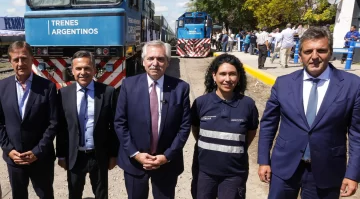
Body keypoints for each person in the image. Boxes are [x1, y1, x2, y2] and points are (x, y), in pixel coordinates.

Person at [258, 27, 360, 199]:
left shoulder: (352, 85)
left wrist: (353, 174)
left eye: (321, 50)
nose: (314, 56)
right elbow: (268, 125)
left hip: (328, 169)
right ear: (301, 54)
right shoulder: (284, 83)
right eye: (308, 51)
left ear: (330, 52)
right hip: (284, 167)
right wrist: (263, 160)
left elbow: (357, 134)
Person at [115, 40, 191, 199]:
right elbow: (120, 123)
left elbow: (184, 127)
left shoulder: (181, 88)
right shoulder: (128, 85)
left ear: (168, 62)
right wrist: (135, 154)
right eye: (150, 58)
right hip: (135, 163)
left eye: (160, 59)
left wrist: (167, 156)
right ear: (143, 62)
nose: (155, 63)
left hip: (166, 164)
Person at [191, 54, 259, 199]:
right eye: (222, 74)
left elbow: (251, 132)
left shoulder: (248, 104)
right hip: (204, 172)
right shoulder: (201, 103)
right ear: (214, 76)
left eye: (232, 74)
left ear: (239, 77)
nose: (227, 79)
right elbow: (196, 130)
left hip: (234, 174)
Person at [56, 50, 119, 199]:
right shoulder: (64, 94)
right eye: (78, 68)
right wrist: (61, 155)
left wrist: (114, 154)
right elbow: (62, 128)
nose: (83, 72)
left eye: (87, 68)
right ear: (72, 71)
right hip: (75, 156)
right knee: (74, 194)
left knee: (101, 194)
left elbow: (114, 127)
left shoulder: (108, 93)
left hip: (99, 155)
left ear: (94, 70)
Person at [0, 41, 57, 199]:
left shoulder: (48, 87)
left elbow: (53, 123)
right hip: (14, 158)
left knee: (45, 195)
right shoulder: (2, 87)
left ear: (32, 59)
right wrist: (9, 150)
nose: (20, 63)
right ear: (10, 61)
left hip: (41, 158)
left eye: (24, 58)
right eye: (16, 59)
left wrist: (37, 151)